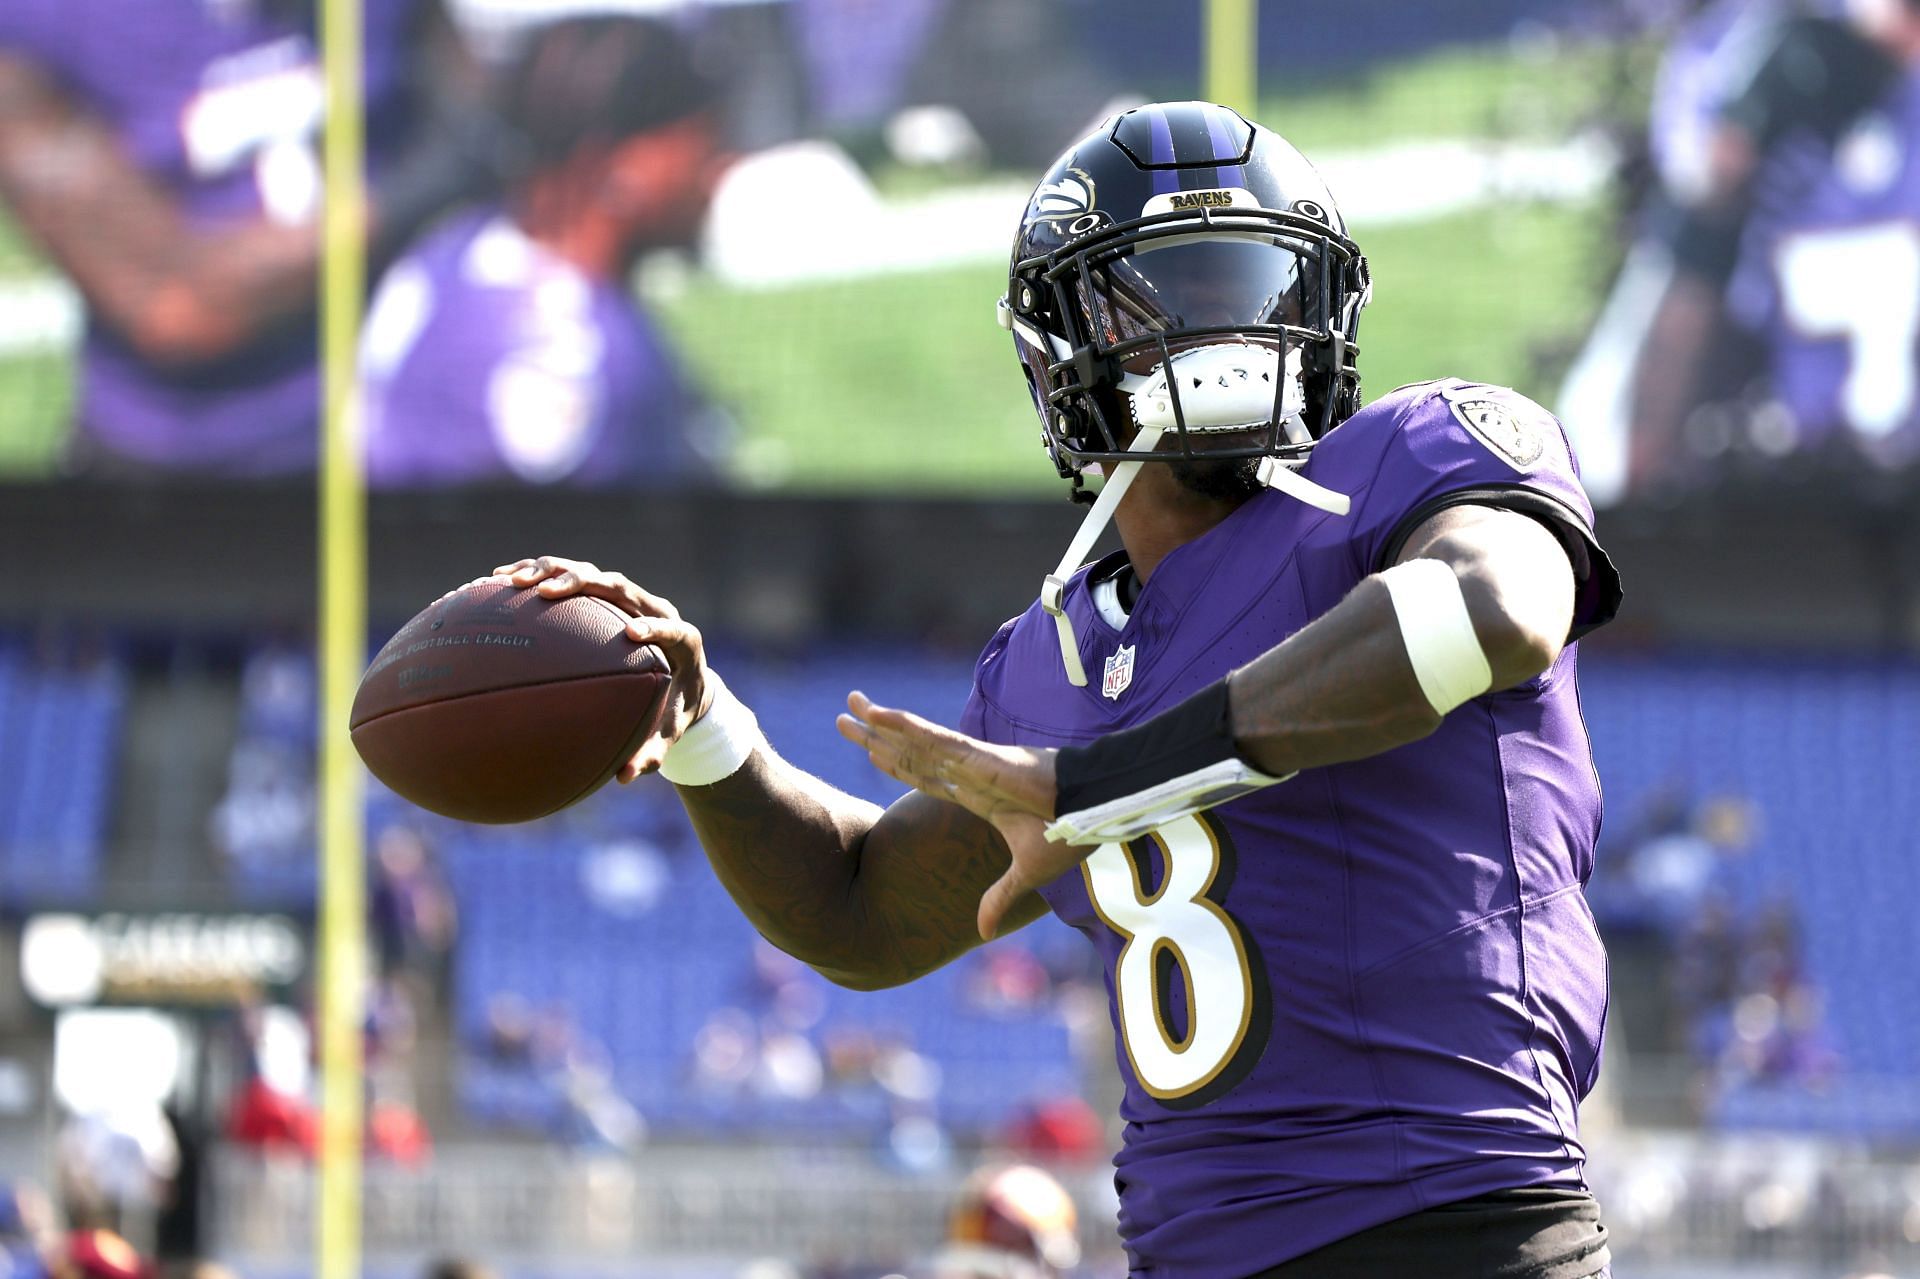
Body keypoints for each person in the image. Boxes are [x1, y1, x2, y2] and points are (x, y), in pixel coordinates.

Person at [496, 101, 1622, 1277]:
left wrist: (1099, 788)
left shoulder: (1417, 460)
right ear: (1062, 349)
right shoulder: (1055, 657)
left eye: (1254, 279)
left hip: (1457, 1230)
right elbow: (863, 911)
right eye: (1173, 294)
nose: (1226, 327)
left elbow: (1493, 612)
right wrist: (705, 735)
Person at [0, 0, 497, 477]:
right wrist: (429, 184)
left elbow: (474, 94)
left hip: (406, 421)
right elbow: (177, 305)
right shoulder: (40, 20)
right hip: (196, 457)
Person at [360, 15, 727, 488]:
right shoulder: (573, 360)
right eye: (702, 146)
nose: (715, 173)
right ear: (621, 166)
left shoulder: (449, 248)